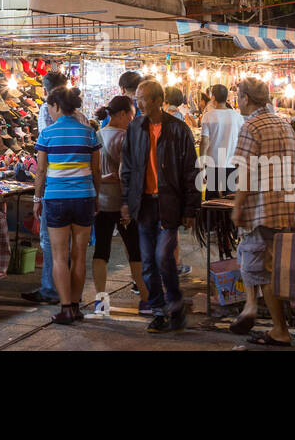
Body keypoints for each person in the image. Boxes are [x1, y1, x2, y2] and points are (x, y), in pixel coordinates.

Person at [120, 80, 200, 333]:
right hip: (143, 205)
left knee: (163, 257)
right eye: (138, 98)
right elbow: (128, 168)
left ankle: (175, 306)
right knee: (148, 263)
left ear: (157, 100)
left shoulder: (178, 129)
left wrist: (190, 209)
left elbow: (191, 170)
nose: (138, 103)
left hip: (169, 204)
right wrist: (125, 201)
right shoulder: (135, 128)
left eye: (143, 98)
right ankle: (159, 311)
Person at [231, 77, 295, 347]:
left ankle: (279, 329)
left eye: (239, 95)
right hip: (284, 207)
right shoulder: (284, 123)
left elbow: (245, 173)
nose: (237, 99)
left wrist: (237, 207)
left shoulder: (251, 127)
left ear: (246, 98)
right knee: (270, 267)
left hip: (261, 209)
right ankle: (254, 309)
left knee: (263, 270)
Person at [32, 86, 100, 324]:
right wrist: (95, 198)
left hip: (56, 198)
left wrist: (37, 199)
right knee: (79, 256)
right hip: (84, 197)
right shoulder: (89, 133)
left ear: (57, 106)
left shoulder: (47, 134)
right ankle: (77, 305)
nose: (49, 111)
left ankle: (66, 308)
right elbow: (96, 171)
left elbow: (41, 171)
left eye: (50, 107)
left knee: (60, 256)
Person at [91, 96, 149, 309]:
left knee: (101, 251)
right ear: (123, 113)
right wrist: (128, 203)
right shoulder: (126, 138)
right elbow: (127, 174)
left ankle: (101, 301)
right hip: (122, 204)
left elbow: (93, 171)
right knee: (135, 251)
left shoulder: (96, 136)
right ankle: (145, 298)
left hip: (101, 203)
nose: (133, 119)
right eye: (132, 114)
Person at [22, 69, 70, 306]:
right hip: (78, 190)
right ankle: (68, 291)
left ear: (47, 90)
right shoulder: (78, 117)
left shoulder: (45, 111)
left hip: (54, 184)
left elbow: (43, 159)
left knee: (50, 241)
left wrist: (36, 198)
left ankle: (51, 289)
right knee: (69, 244)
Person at [199, 84, 245, 197]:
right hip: (231, 165)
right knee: (229, 201)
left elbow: (204, 142)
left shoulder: (208, 116)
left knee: (212, 202)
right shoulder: (238, 117)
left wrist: (201, 166)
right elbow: (242, 144)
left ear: (213, 97)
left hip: (212, 165)